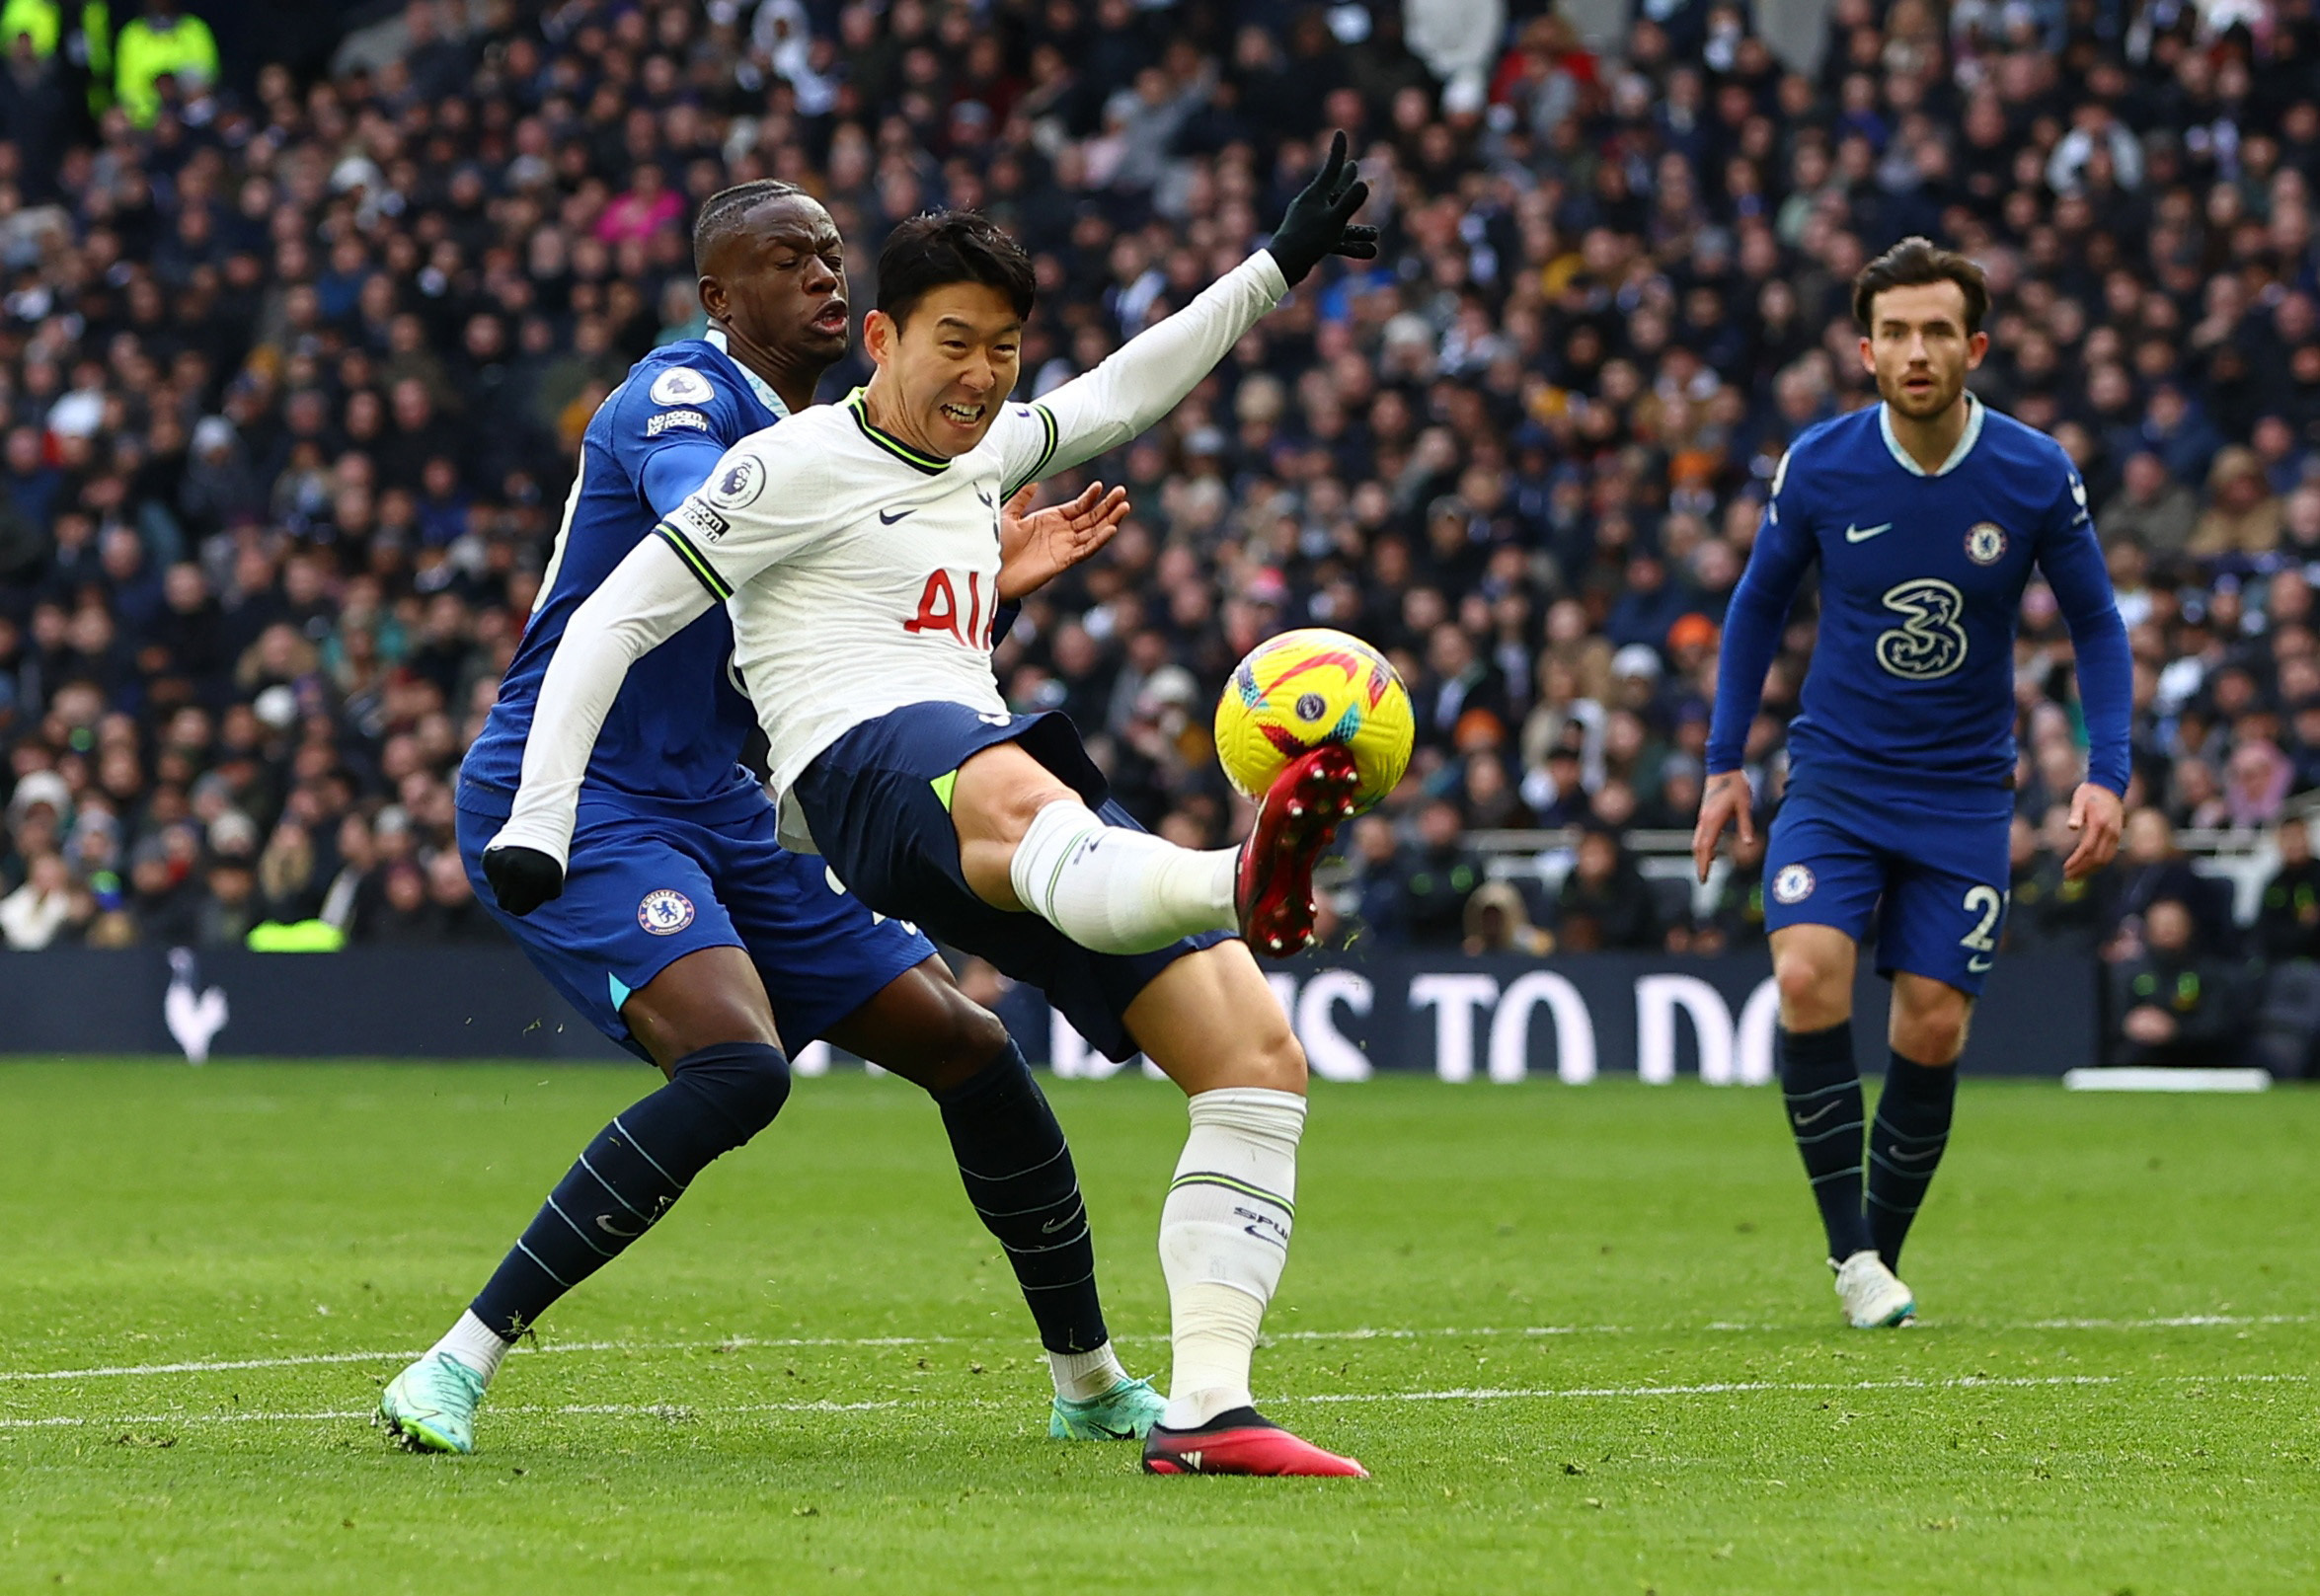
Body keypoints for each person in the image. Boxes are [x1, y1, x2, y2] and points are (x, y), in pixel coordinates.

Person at [485, 137, 1380, 1477]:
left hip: (983, 775)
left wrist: (1277, 263)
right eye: (955, 343)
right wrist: (537, 821)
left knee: (1251, 1053)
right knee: (1012, 784)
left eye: (1005, 350)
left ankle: (1207, 1409)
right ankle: (1233, 875)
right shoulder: (778, 467)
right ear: (886, 337)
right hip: (867, 772)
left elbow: (1134, 383)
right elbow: (609, 622)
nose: (982, 377)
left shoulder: (985, 454)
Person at [379, 183, 1152, 1458]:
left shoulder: (833, 446)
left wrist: (976, 599)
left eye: (833, 254)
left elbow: (827, 647)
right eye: (787, 258)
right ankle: (456, 1363)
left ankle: (1088, 1380)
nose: (822, 273)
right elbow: (730, 543)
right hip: (586, 798)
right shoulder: (681, 400)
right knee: (737, 1066)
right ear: (717, 298)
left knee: (967, 1046)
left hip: (723, 806)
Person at [1693, 237, 2130, 1330]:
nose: (1917, 350)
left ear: (1973, 346)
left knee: (1931, 1027)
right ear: (1865, 351)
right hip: (1835, 779)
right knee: (1805, 978)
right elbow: (1754, 607)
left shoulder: (2032, 472)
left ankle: (1871, 1253)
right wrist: (1721, 765)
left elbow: (2095, 622)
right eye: (1896, 332)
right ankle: (1854, 1258)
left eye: (1938, 330)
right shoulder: (1822, 464)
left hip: (1962, 796)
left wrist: (2106, 770)